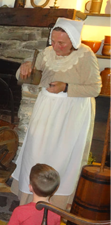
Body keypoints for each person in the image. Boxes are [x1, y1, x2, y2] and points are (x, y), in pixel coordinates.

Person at [11, 17, 102, 210]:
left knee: (61, 157)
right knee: (35, 152)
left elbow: (95, 88)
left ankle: (54, 204)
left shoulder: (86, 56)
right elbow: (25, 77)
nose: (56, 46)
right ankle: (29, 201)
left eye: (61, 43)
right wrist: (24, 67)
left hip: (71, 113)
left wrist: (66, 86)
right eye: (53, 41)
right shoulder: (47, 53)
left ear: (73, 41)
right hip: (46, 108)